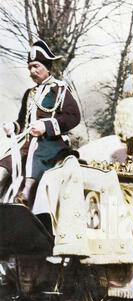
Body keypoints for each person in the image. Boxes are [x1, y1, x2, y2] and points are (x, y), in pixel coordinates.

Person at [0, 39, 81, 207]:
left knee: (37, 150)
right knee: (4, 165)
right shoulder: (29, 93)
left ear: (47, 66)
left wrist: (46, 126)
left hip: (51, 142)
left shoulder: (60, 89)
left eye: (36, 66)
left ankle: (26, 194)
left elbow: (73, 116)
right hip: (26, 142)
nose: (32, 71)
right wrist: (12, 127)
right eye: (29, 67)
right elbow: (22, 122)